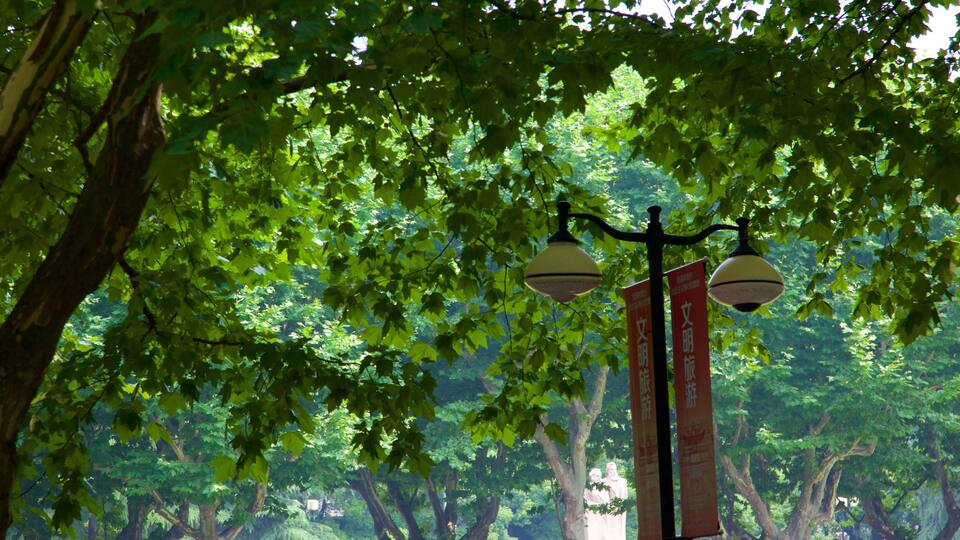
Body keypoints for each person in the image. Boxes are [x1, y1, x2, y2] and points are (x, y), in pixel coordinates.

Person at [604, 462, 628, 540]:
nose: (612, 471)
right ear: (607, 470)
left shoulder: (623, 481)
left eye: (613, 469)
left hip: (621, 509)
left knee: (621, 529)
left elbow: (625, 496)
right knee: (611, 529)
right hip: (609, 509)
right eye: (610, 469)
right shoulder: (604, 481)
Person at [584, 468, 609, 540]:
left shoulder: (604, 486)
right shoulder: (588, 487)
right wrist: (593, 505)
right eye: (593, 475)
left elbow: (606, 500)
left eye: (596, 475)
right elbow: (585, 500)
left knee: (602, 532)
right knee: (593, 532)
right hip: (592, 513)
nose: (594, 477)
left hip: (602, 512)